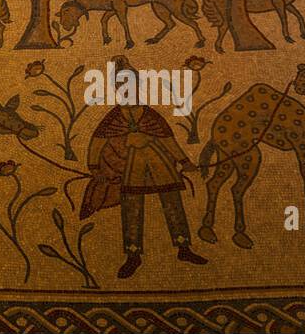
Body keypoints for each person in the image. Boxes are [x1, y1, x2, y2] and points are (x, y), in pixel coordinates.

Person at [80, 58, 209, 279]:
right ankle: (133, 256)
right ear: (116, 89)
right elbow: (98, 142)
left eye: (132, 86)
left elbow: (168, 140)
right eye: (122, 86)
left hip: (160, 165)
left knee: (172, 203)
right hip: (131, 169)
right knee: (132, 207)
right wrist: (95, 167)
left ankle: (183, 248)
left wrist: (185, 162)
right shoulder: (113, 117)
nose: (128, 91)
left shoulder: (150, 115)